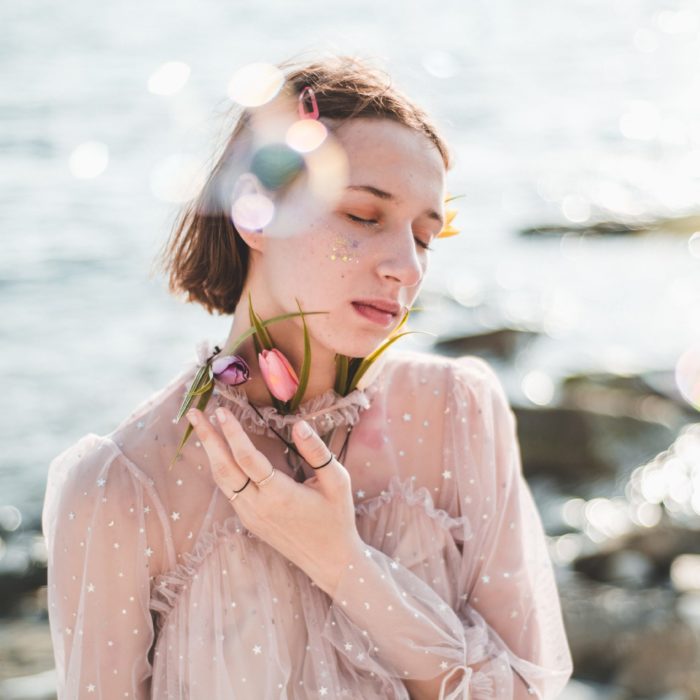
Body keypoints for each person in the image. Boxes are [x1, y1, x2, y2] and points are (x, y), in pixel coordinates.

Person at [42, 53, 574, 699]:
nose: (407, 266)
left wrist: (343, 561)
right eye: (363, 215)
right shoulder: (122, 489)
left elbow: (528, 690)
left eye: (425, 236)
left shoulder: (459, 411)